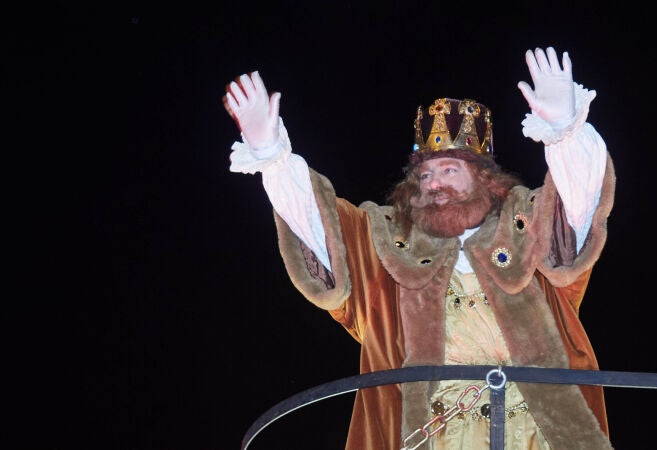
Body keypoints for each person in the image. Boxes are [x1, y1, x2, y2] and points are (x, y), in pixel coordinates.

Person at [223, 46, 615, 449]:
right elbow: (318, 227)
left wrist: (566, 131)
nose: (435, 183)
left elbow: (578, 204)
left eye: (449, 169)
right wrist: (274, 158)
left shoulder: (526, 229)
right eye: (425, 175)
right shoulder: (386, 248)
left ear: (484, 179)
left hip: (536, 435)